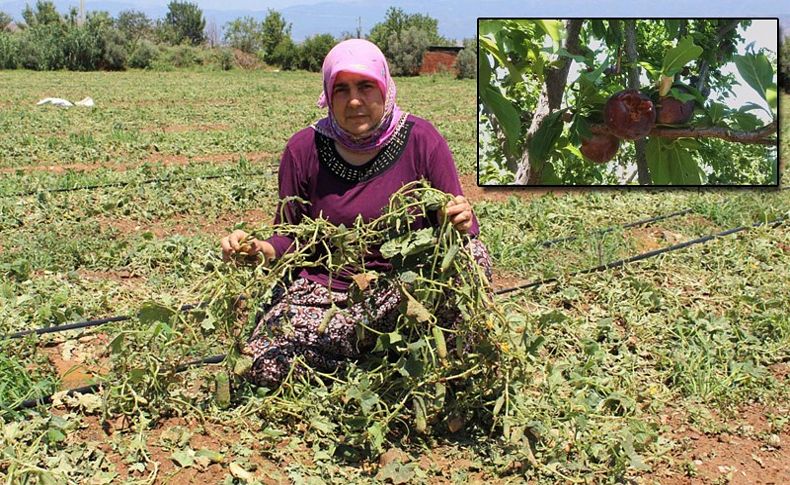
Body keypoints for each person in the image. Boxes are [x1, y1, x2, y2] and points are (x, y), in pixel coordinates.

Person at [220, 39, 492, 388]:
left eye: (365, 86)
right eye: (341, 89)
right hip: (327, 296)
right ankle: (376, 361)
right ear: (328, 95)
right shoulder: (303, 149)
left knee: (471, 257)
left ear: (384, 87)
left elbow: (463, 229)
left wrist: (458, 220)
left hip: (404, 293)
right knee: (261, 363)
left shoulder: (422, 140)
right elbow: (289, 237)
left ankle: (435, 365)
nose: (354, 101)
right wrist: (256, 249)